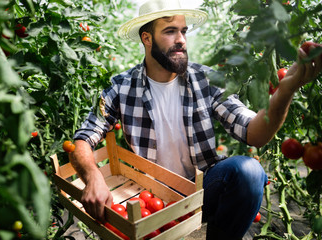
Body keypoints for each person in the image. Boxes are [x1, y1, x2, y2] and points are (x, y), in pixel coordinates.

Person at [70, 0, 322, 239]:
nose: (181, 40)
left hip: (202, 190)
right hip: (151, 195)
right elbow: (84, 137)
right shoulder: (122, 87)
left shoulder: (205, 79)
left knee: (249, 172)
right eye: (170, 31)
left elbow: (254, 132)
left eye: (183, 31)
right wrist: (93, 177)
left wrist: (285, 91)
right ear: (146, 38)